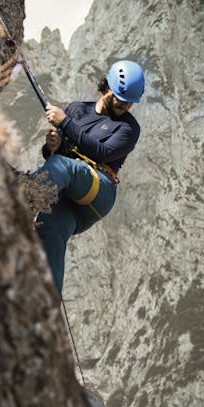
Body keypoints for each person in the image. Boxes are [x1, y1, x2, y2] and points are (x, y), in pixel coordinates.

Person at [36, 60, 145, 293]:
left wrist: (65, 122)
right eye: (121, 98)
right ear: (107, 88)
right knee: (49, 231)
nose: (126, 106)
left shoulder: (128, 129)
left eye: (130, 102)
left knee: (62, 166)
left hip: (100, 191)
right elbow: (54, 156)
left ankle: (20, 197)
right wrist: (52, 145)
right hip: (68, 198)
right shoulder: (77, 110)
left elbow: (101, 152)